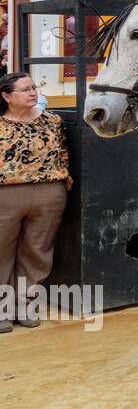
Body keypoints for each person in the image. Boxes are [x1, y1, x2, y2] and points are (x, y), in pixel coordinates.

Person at [0, 72, 71, 332]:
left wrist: (62, 185)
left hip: (49, 193)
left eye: (34, 88)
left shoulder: (53, 121)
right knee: (1, 252)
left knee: (37, 250)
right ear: (7, 96)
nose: (32, 93)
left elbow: (63, 153)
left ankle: (25, 305)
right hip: (5, 194)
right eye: (25, 89)